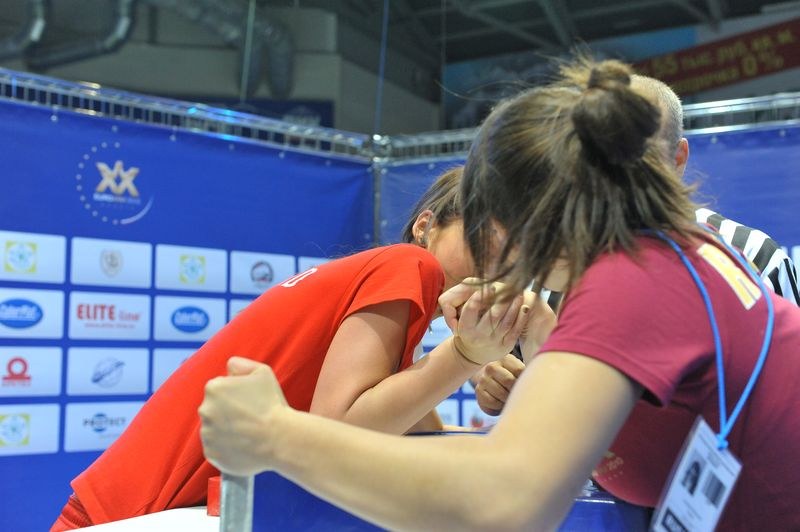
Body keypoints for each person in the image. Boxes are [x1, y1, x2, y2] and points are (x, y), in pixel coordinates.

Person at [199, 57, 800, 531]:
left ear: (514, 217)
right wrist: (543, 338)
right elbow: (553, 449)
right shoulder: (681, 248)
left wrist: (274, 434)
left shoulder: (628, 275)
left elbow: (504, 501)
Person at [51, 167, 527, 530]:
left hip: (136, 506)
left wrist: (470, 363)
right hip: (134, 514)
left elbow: (408, 431)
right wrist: (463, 356)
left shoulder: (391, 289)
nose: (493, 266)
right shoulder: (409, 264)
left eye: (509, 256)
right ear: (426, 226)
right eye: (483, 239)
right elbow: (335, 434)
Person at [472, 73, 800, 418]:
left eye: (639, 159)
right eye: (604, 158)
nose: (622, 179)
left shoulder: (752, 255)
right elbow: (525, 391)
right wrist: (494, 376)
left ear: (677, 159)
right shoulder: (556, 269)